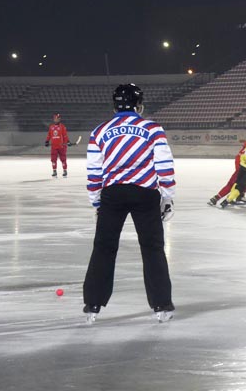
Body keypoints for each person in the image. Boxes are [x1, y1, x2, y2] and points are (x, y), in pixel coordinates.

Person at [83, 84, 176, 324]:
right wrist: (167, 196)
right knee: (152, 248)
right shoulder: (152, 128)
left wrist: (96, 202)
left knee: (104, 248)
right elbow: (164, 165)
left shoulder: (99, 131)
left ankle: (92, 303)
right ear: (138, 104)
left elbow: (94, 172)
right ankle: (161, 305)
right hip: (145, 194)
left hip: (112, 195)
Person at [208, 126, 246, 206]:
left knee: (237, 182)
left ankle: (220, 197)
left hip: (240, 161)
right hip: (244, 164)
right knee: (241, 182)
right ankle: (230, 197)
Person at [45, 113, 74, 178]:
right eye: (55, 118)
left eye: (58, 118)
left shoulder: (62, 127)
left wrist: (68, 142)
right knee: (53, 159)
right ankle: (54, 171)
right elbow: (49, 135)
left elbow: (65, 136)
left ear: (59, 119)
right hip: (54, 146)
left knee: (63, 159)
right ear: (53, 119)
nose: (56, 119)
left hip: (61, 146)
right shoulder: (51, 127)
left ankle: (65, 170)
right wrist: (47, 141)